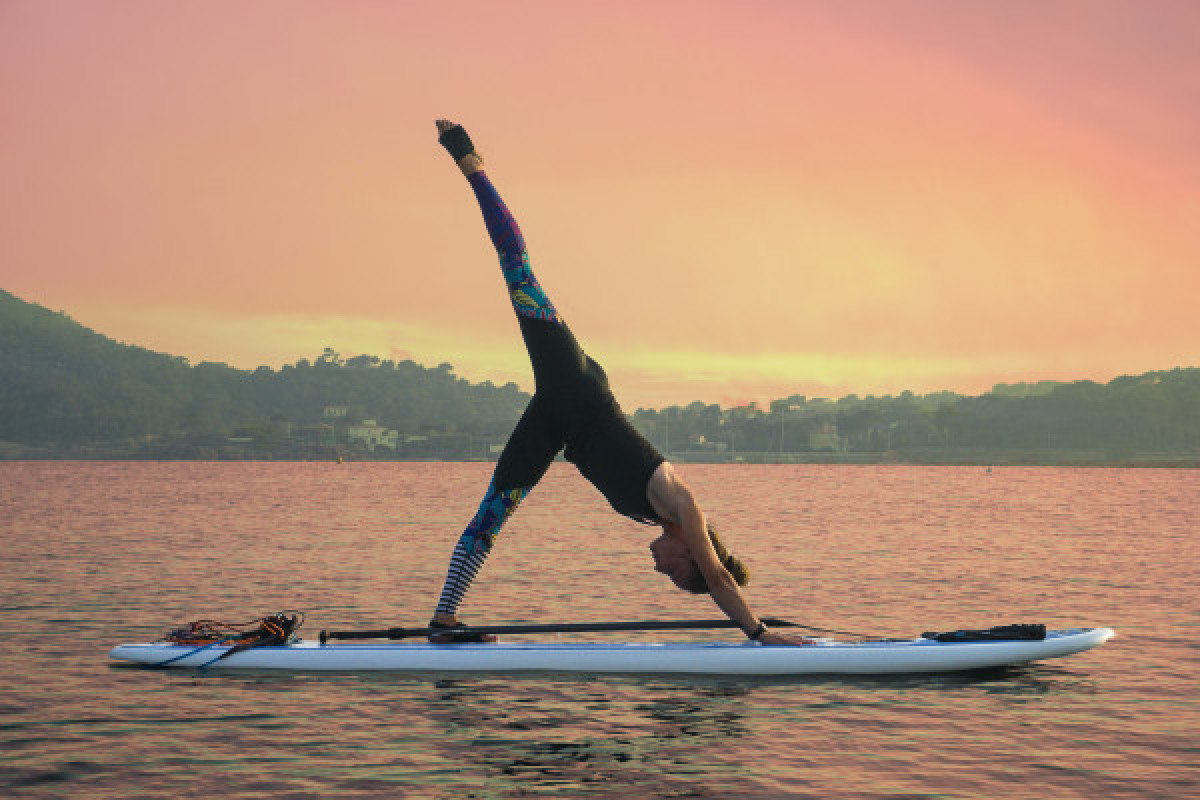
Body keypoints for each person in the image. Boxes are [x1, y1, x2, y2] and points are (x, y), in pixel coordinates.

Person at [429, 119, 811, 646]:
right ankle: (471, 164)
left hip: (556, 422)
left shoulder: (657, 516)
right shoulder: (683, 505)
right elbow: (720, 579)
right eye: (676, 572)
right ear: (693, 552)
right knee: (518, 271)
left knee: (493, 512)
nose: (661, 571)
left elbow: (717, 575)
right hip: (577, 387)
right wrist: (758, 632)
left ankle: (443, 620)